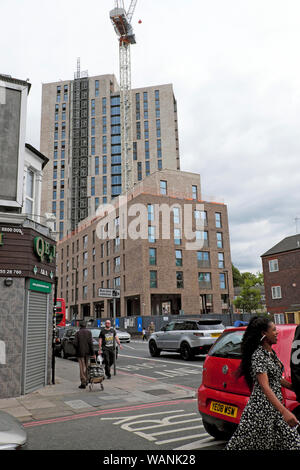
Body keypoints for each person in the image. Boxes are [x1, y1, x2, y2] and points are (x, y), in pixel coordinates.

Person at [226, 316, 300, 450]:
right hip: (261, 412)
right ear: (264, 333)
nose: (277, 333)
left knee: (292, 443)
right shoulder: (258, 355)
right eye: (274, 330)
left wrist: (294, 387)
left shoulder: (271, 353)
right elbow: (265, 386)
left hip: (274, 410)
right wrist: (285, 412)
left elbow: (275, 378)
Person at [73, 320, 95, 389]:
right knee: (87, 366)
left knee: (82, 368)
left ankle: (83, 382)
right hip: (88, 353)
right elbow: (91, 343)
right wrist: (93, 353)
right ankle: (87, 379)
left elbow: (75, 343)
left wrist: (76, 348)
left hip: (80, 353)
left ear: (80, 326)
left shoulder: (77, 333)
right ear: (85, 325)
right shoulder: (89, 332)